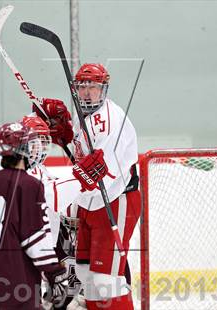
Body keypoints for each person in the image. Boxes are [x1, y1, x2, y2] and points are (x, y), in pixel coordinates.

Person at [35, 64, 141, 310]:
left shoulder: (113, 121)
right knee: (85, 274)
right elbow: (85, 159)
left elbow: (104, 175)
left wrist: (69, 188)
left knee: (106, 282)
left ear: (104, 89)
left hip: (116, 200)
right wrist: (64, 136)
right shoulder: (86, 117)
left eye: (93, 87)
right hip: (92, 203)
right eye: (82, 87)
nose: (87, 93)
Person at [0, 121, 68, 310]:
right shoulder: (30, 185)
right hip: (15, 276)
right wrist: (53, 271)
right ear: (23, 149)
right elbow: (34, 237)